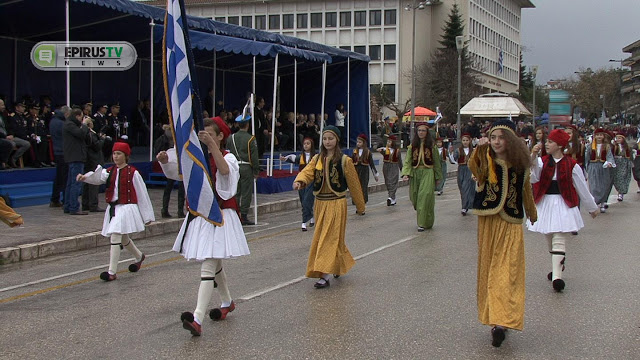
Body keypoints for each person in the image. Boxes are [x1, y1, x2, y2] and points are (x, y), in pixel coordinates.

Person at [157, 117, 249, 336]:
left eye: (210, 134)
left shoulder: (229, 157)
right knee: (212, 259)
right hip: (201, 216)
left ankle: (197, 317)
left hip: (220, 215)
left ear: (220, 137)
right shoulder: (197, 158)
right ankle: (226, 301)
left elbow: (225, 174)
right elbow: (180, 174)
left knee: (208, 263)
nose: (204, 138)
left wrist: (212, 148)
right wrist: (164, 161)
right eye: (202, 134)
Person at [468, 119, 537, 348]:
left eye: (501, 137)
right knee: (490, 268)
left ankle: (502, 320)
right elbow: (473, 166)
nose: (497, 142)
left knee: (507, 271)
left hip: (511, 222)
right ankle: (496, 319)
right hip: (489, 222)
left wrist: (532, 213)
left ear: (511, 140)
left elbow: (525, 190)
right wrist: (480, 147)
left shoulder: (521, 165)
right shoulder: (486, 160)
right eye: (493, 137)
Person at [293, 126, 365, 289]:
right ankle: (337, 265)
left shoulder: (345, 160)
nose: (327, 142)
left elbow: (354, 184)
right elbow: (308, 172)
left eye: (330, 138)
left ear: (337, 140)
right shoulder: (317, 158)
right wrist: (300, 181)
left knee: (329, 237)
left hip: (336, 203)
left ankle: (324, 275)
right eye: (325, 139)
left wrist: (360, 206)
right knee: (327, 237)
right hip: (320, 203)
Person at [528, 129, 598, 293]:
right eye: (547, 141)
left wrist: (591, 207)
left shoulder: (572, 165)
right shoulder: (542, 161)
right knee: (549, 238)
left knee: (559, 237)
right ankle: (557, 264)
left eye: (550, 142)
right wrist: (532, 157)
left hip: (564, 203)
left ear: (560, 145)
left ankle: (557, 278)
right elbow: (533, 178)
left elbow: (582, 187)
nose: (547, 144)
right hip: (545, 203)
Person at [77, 142, 154, 281]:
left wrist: (147, 216)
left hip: (127, 208)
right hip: (114, 209)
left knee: (116, 236)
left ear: (126, 155)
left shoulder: (133, 172)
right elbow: (98, 177)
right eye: (114, 153)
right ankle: (139, 256)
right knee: (123, 238)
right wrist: (85, 177)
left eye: (119, 154)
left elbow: (142, 194)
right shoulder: (110, 171)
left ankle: (111, 272)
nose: (116, 156)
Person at [401, 122, 442, 232]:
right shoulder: (412, 146)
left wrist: (438, 177)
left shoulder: (432, 146)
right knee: (415, 198)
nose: (421, 132)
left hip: (428, 172)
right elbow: (408, 161)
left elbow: (437, 163)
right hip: (415, 173)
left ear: (427, 132)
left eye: (423, 130)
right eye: (419, 130)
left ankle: (422, 224)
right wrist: (406, 173)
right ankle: (426, 219)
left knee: (424, 197)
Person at [228, 114, 260, 225]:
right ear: (247, 124)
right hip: (246, 167)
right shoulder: (250, 138)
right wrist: (256, 170)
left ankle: (235, 214)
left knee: (236, 191)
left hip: (234, 166)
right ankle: (244, 215)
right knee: (246, 193)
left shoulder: (231, 138)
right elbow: (254, 157)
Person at [280, 137, 316, 231]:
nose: (306, 145)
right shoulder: (301, 157)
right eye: (304, 144)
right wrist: (284, 159)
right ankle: (311, 217)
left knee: (307, 200)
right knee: (303, 200)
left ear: (311, 145)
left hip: (311, 182)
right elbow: (292, 158)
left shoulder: (315, 157)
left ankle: (304, 222)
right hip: (301, 181)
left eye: (308, 143)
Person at [154, 124, 185, 218]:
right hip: (172, 165)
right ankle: (177, 211)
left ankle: (166, 209)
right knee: (179, 190)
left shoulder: (164, 138)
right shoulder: (167, 139)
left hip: (171, 165)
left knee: (169, 189)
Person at [62, 108, 90, 215]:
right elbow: (81, 134)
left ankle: (68, 205)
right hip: (76, 157)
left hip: (74, 157)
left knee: (70, 183)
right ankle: (73, 207)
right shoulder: (69, 125)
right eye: (81, 117)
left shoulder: (69, 124)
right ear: (77, 116)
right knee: (76, 183)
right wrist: (84, 125)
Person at [584, 128, 615, 213]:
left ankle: (603, 203)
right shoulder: (590, 146)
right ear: (594, 136)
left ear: (603, 136)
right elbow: (587, 157)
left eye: (601, 135)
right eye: (597, 135)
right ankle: (595, 203)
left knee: (604, 185)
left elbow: (609, 156)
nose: (599, 137)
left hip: (603, 167)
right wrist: (586, 167)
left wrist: (609, 162)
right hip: (593, 167)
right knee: (594, 185)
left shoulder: (607, 146)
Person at [81, 117, 105, 212]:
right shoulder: (90, 134)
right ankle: (93, 204)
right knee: (93, 183)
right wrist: (102, 139)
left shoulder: (86, 133)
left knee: (87, 182)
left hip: (88, 160)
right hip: (93, 159)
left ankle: (86, 203)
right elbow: (96, 146)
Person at [450, 133, 475, 215]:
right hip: (461, 169)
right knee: (462, 188)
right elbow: (453, 160)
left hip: (470, 169)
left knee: (468, 187)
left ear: (470, 141)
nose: (465, 142)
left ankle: (465, 207)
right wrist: (450, 153)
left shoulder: (473, 151)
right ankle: (466, 205)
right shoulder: (458, 150)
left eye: (467, 140)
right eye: (463, 140)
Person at [49, 106, 69, 207]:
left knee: (58, 177)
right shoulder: (62, 124)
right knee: (64, 177)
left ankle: (55, 198)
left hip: (57, 151)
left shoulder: (53, 121)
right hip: (63, 152)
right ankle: (65, 200)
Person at [352, 134, 379, 204]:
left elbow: (371, 164)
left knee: (363, 186)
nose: (358, 143)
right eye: (357, 142)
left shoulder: (367, 152)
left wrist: (375, 174)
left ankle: (363, 200)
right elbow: (351, 162)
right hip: (356, 170)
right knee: (356, 185)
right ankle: (356, 200)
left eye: (360, 142)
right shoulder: (355, 151)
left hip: (364, 171)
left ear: (364, 143)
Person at [376, 135, 402, 206]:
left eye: (390, 141)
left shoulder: (397, 151)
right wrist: (379, 149)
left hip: (394, 167)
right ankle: (393, 198)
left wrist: (402, 171)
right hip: (386, 167)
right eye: (387, 141)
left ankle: (390, 197)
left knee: (393, 182)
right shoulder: (385, 150)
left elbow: (400, 161)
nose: (388, 142)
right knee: (387, 182)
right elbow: (378, 150)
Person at [612, 133, 632, 202]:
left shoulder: (627, 147)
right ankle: (619, 190)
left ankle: (621, 193)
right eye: (617, 138)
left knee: (622, 177)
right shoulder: (614, 146)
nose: (618, 140)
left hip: (624, 163)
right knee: (616, 178)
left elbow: (630, 156)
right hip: (616, 163)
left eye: (620, 138)